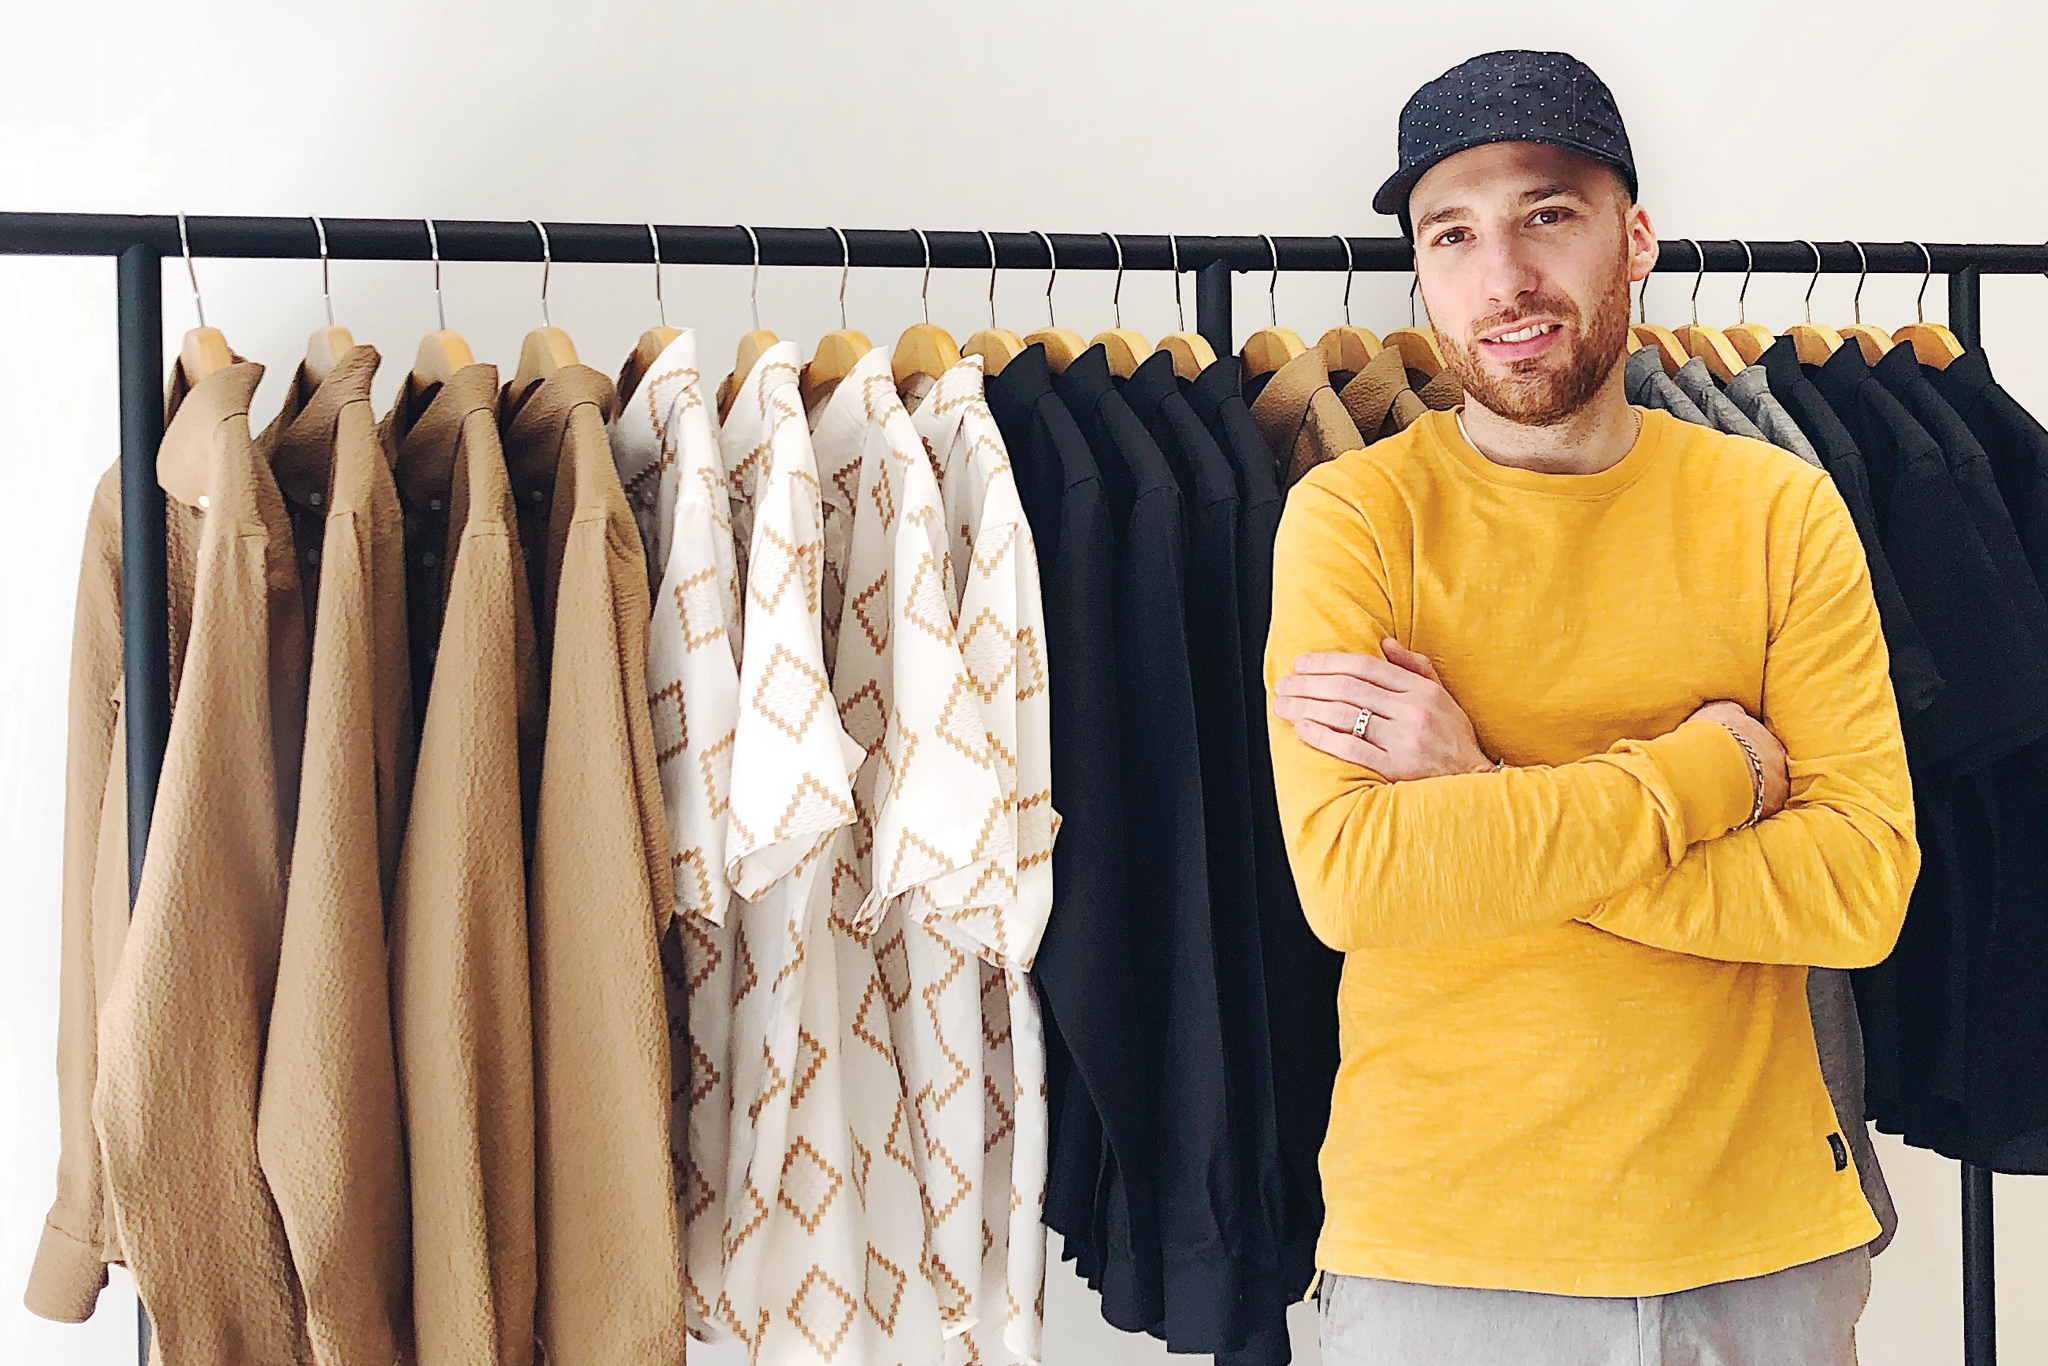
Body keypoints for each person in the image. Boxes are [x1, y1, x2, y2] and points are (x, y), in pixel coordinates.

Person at [1264, 49, 1918, 1366]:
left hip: (1764, 1255)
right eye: (1452, 233)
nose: (1500, 277)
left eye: (1547, 214)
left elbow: (1857, 889)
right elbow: (1357, 881)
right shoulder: (1355, 517)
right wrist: (1703, 781)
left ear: (1635, 238)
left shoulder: (1779, 513)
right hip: (1444, 1262)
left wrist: (1480, 792)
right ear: (1419, 274)